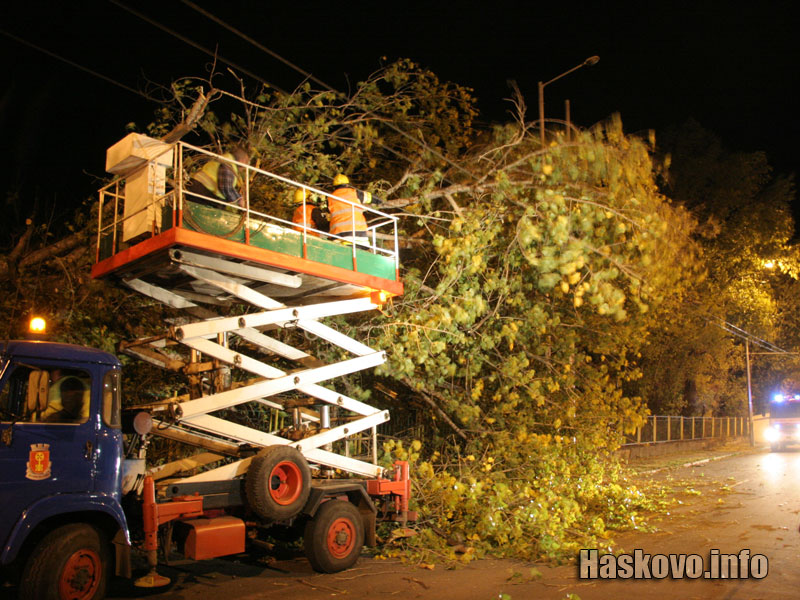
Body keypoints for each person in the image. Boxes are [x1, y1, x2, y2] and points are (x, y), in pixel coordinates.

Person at [185, 146, 249, 208]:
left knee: (221, 204)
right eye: (246, 162)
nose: (246, 166)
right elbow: (225, 187)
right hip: (201, 191)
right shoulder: (228, 164)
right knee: (220, 205)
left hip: (197, 187)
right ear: (242, 160)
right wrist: (239, 200)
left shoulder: (225, 159)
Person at [327, 174, 379, 245]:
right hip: (357, 234)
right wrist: (380, 201)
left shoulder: (330, 198)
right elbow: (372, 198)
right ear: (347, 185)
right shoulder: (355, 193)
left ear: (334, 187)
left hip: (337, 235)